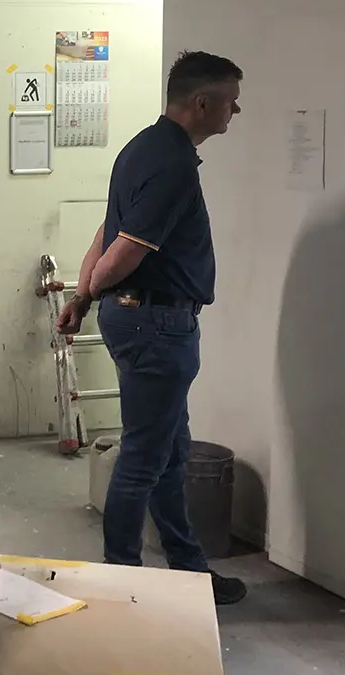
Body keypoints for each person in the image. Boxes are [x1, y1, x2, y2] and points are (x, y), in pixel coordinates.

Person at [56, 51, 248, 607]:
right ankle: (122, 583)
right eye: (231, 101)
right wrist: (88, 292)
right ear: (202, 103)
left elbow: (106, 231)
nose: (236, 111)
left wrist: (82, 294)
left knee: (169, 453)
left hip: (144, 318)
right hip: (156, 323)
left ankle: (189, 571)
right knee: (144, 458)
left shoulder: (141, 147)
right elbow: (125, 248)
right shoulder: (173, 164)